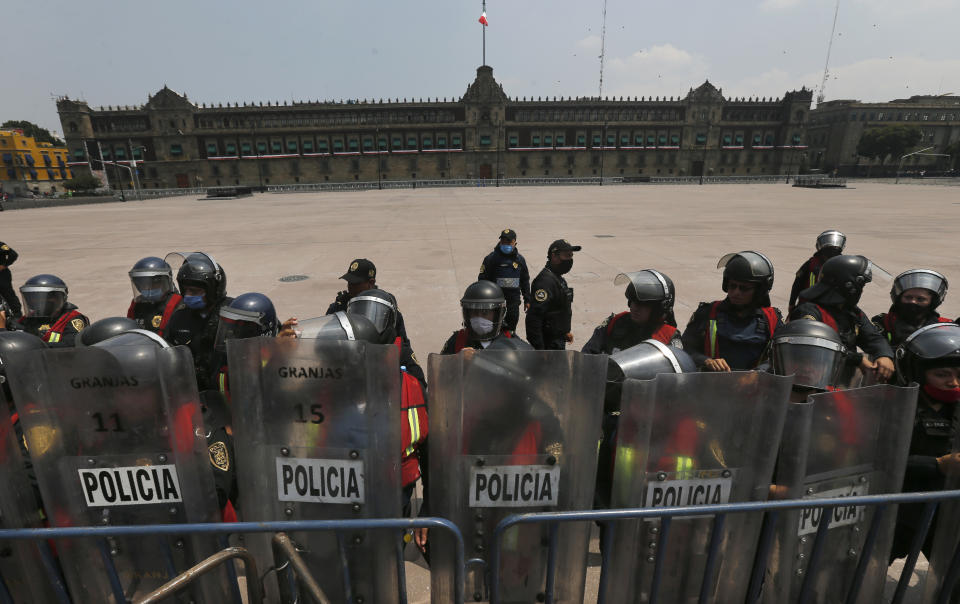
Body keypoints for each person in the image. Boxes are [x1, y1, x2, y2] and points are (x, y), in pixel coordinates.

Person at [890, 322, 960, 560]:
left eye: (959, 375)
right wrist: (937, 465)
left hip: (947, 511)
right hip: (899, 511)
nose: (954, 383)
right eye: (942, 374)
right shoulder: (895, 407)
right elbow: (878, 462)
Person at [789, 254, 895, 382]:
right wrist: (857, 359)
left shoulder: (852, 312)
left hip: (841, 384)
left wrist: (884, 355)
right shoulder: (809, 311)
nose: (861, 291)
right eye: (861, 287)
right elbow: (811, 348)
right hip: (811, 383)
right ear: (850, 287)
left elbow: (873, 337)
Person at [681, 251, 783, 371]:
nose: (736, 293)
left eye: (744, 288)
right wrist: (706, 361)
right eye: (732, 286)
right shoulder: (708, 313)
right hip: (712, 384)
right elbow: (685, 349)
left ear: (759, 291)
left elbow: (782, 356)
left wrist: (760, 371)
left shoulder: (772, 319)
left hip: (756, 386)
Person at [165, 253, 232, 391]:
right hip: (192, 394)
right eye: (186, 290)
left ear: (214, 290)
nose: (188, 295)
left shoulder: (234, 313)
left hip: (229, 392)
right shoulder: (179, 318)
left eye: (195, 291)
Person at [583, 269, 681, 355]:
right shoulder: (614, 322)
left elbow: (677, 370)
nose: (635, 308)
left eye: (643, 304)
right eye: (633, 301)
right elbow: (587, 353)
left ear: (658, 309)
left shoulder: (668, 336)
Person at [346, 288, 425, 385]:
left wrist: (396, 376)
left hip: (390, 399)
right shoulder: (348, 349)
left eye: (375, 317)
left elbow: (420, 385)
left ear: (389, 320)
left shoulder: (401, 350)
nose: (368, 324)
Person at [325, 258, 411, 345]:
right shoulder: (338, 306)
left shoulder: (387, 308)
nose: (349, 286)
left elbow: (403, 345)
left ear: (371, 283)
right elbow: (322, 340)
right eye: (349, 282)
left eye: (355, 284)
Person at [440, 281, 532, 353]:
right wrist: (459, 360)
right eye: (474, 313)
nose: (479, 318)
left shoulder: (512, 342)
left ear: (498, 314)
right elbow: (441, 370)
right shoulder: (458, 341)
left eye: (485, 313)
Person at [873, 269, 953, 347]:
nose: (913, 302)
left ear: (932, 302)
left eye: (920, 299)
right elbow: (876, 347)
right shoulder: (883, 322)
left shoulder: (945, 326)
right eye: (908, 297)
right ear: (899, 298)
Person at [6, 274, 89, 347]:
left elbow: (72, 343)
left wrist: (37, 345)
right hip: (32, 361)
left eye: (47, 298)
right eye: (35, 299)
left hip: (62, 361)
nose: (40, 302)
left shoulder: (73, 319)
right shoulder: (27, 320)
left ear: (61, 298)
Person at [526, 239, 580, 350]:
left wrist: (564, 332)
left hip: (557, 340)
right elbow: (533, 320)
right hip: (548, 345)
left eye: (571, 256)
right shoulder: (544, 282)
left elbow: (557, 311)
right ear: (554, 256)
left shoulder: (558, 278)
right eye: (566, 256)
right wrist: (540, 351)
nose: (569, 260)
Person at [478, 229, 531, 333]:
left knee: (510, 330)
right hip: (494, 302)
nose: (506, 244)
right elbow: (482, 280)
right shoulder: (491, 259)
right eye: (503, 241)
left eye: (509, 242)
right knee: (493, 329)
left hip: (513, 302)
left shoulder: (520, 260)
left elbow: (525, 280)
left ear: (515, 243)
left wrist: (527, 299)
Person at [788, 230, 846, 313]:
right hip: (808, 306)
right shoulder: (810, 264)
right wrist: (792, 304)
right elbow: (797, 283)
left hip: (833, 307)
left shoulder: (844, 265)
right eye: (829, 250)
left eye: (834, 250)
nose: (832, 253)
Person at [126, 256, 183, 338]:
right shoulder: (136, 305)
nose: (147, 288)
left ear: (166, 282)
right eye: (143, 284)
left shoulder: (178, 304)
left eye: (154, 283)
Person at [0, 240, 22, 319]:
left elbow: (13, 254)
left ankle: (17, 315)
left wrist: (4, 265)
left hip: (2, 275)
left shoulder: (1, 245)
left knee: (8, 294)